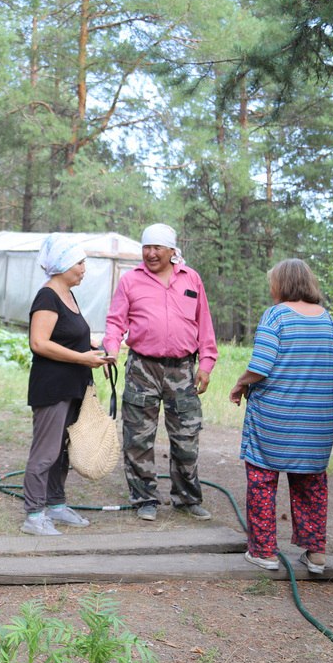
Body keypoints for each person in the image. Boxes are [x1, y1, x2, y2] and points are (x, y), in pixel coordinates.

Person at [229, 259, 333, 573]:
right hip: (317, 424)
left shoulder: (276, 315)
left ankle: (264, 551)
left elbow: (261, 366)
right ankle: (316, 553)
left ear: (281, 284)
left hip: (275, 419)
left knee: (262, 479)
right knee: (311, 484)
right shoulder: (327, 319)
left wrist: (240, 384)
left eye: (272, 282)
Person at [103, 223, 218, 521]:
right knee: (138, 437)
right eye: (146, 248)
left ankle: (187, 498)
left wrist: (206, 363)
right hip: (142, 367)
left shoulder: (191, 278)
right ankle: (144, 499)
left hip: (183, 370)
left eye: (157, 248)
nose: (151, 254)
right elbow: (115, 322)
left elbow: (204, 323)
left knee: (186, 436)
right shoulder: (130, 281)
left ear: (171, 250)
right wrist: (111, 350)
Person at [20, 234, 108, 536]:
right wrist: (82, 359)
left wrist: (94, 346)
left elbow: (68, 335)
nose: (84, 268)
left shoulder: (68, 294)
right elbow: (39, 342)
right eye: (79, 262)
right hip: (52, 386)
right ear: (63, 264)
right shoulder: (47, 296)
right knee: (45, 451)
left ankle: (56, 504)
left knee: (62, 451)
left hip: (73, 386)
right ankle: (34, 513)